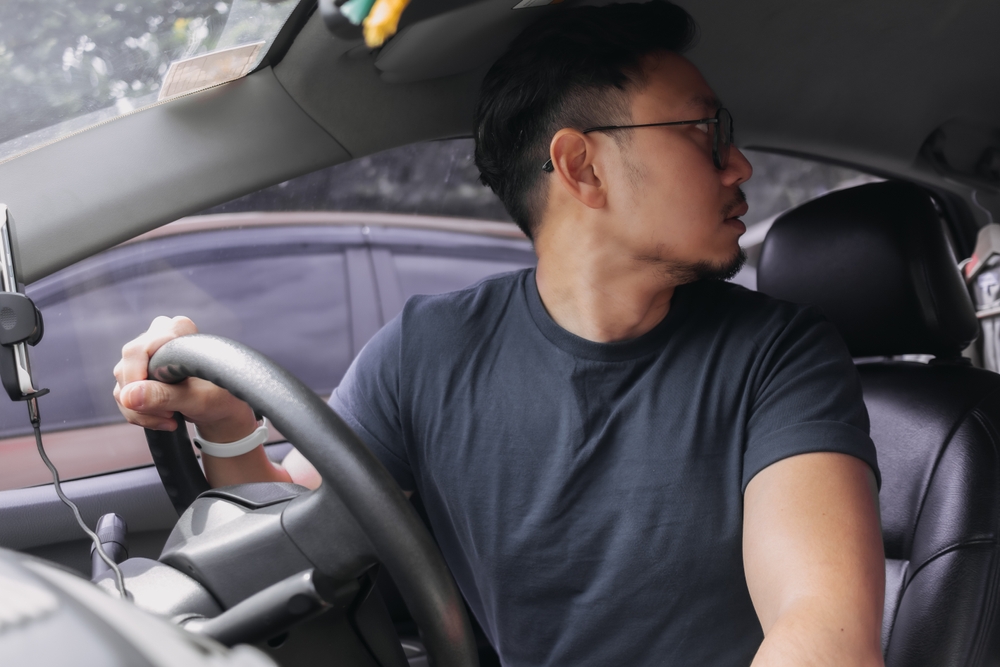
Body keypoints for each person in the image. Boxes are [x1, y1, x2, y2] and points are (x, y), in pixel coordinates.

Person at [114, 2, 885, 665]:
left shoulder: (782, 356)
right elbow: (299, 539)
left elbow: (821, 630)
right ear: (581, 167)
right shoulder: (427, 351)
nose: (739, 164)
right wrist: (224, 424)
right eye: (704, 132)